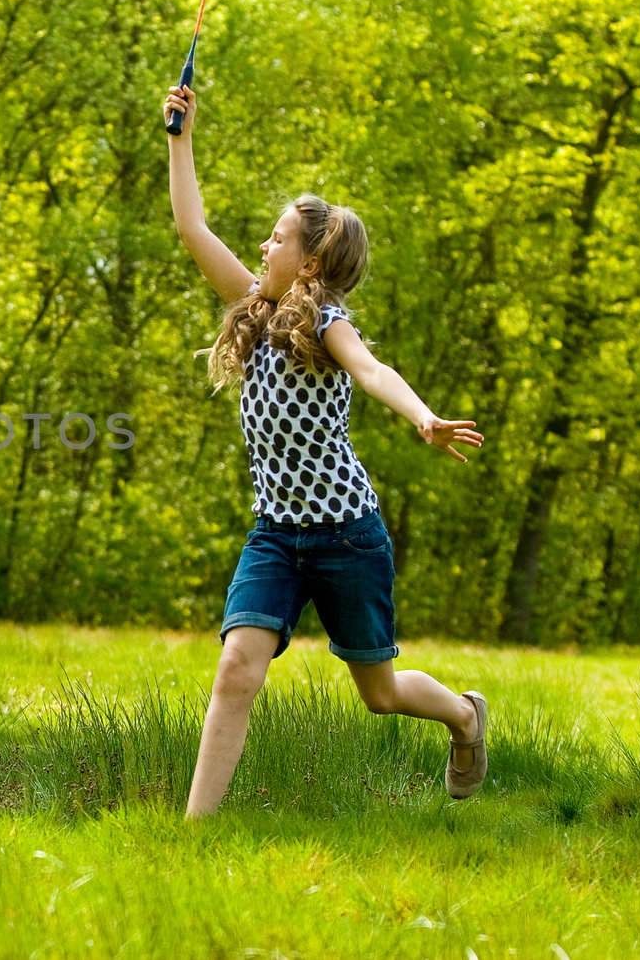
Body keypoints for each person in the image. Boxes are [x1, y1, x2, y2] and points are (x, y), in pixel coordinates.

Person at [162, 85, 488, 817]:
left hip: (348, 536)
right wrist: (180, 138)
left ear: (309, 263)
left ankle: (465, 716)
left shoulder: (328, 325)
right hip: (276, 534)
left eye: (278, 238)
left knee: (379, 692)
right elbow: (192, 226)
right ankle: (192, 833)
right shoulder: (251, 304)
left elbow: (372, 370)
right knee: (236, 669)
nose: (263, 247)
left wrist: (424, 418)